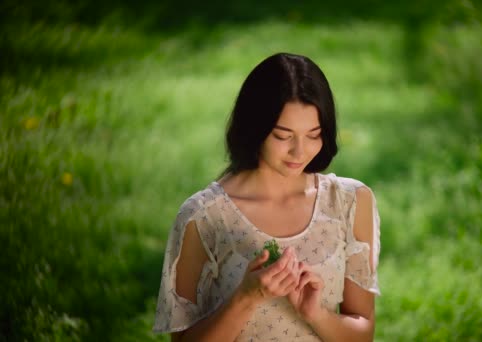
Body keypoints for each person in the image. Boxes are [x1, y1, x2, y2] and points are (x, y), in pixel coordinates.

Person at [153, 52, 381, 341]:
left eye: (313, 135)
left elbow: (363, 334)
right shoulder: (203, 216)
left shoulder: (350, 202)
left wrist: (315, 314)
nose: (300, 152)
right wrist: (246, 298)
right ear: (254, 129)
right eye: (283, 136)